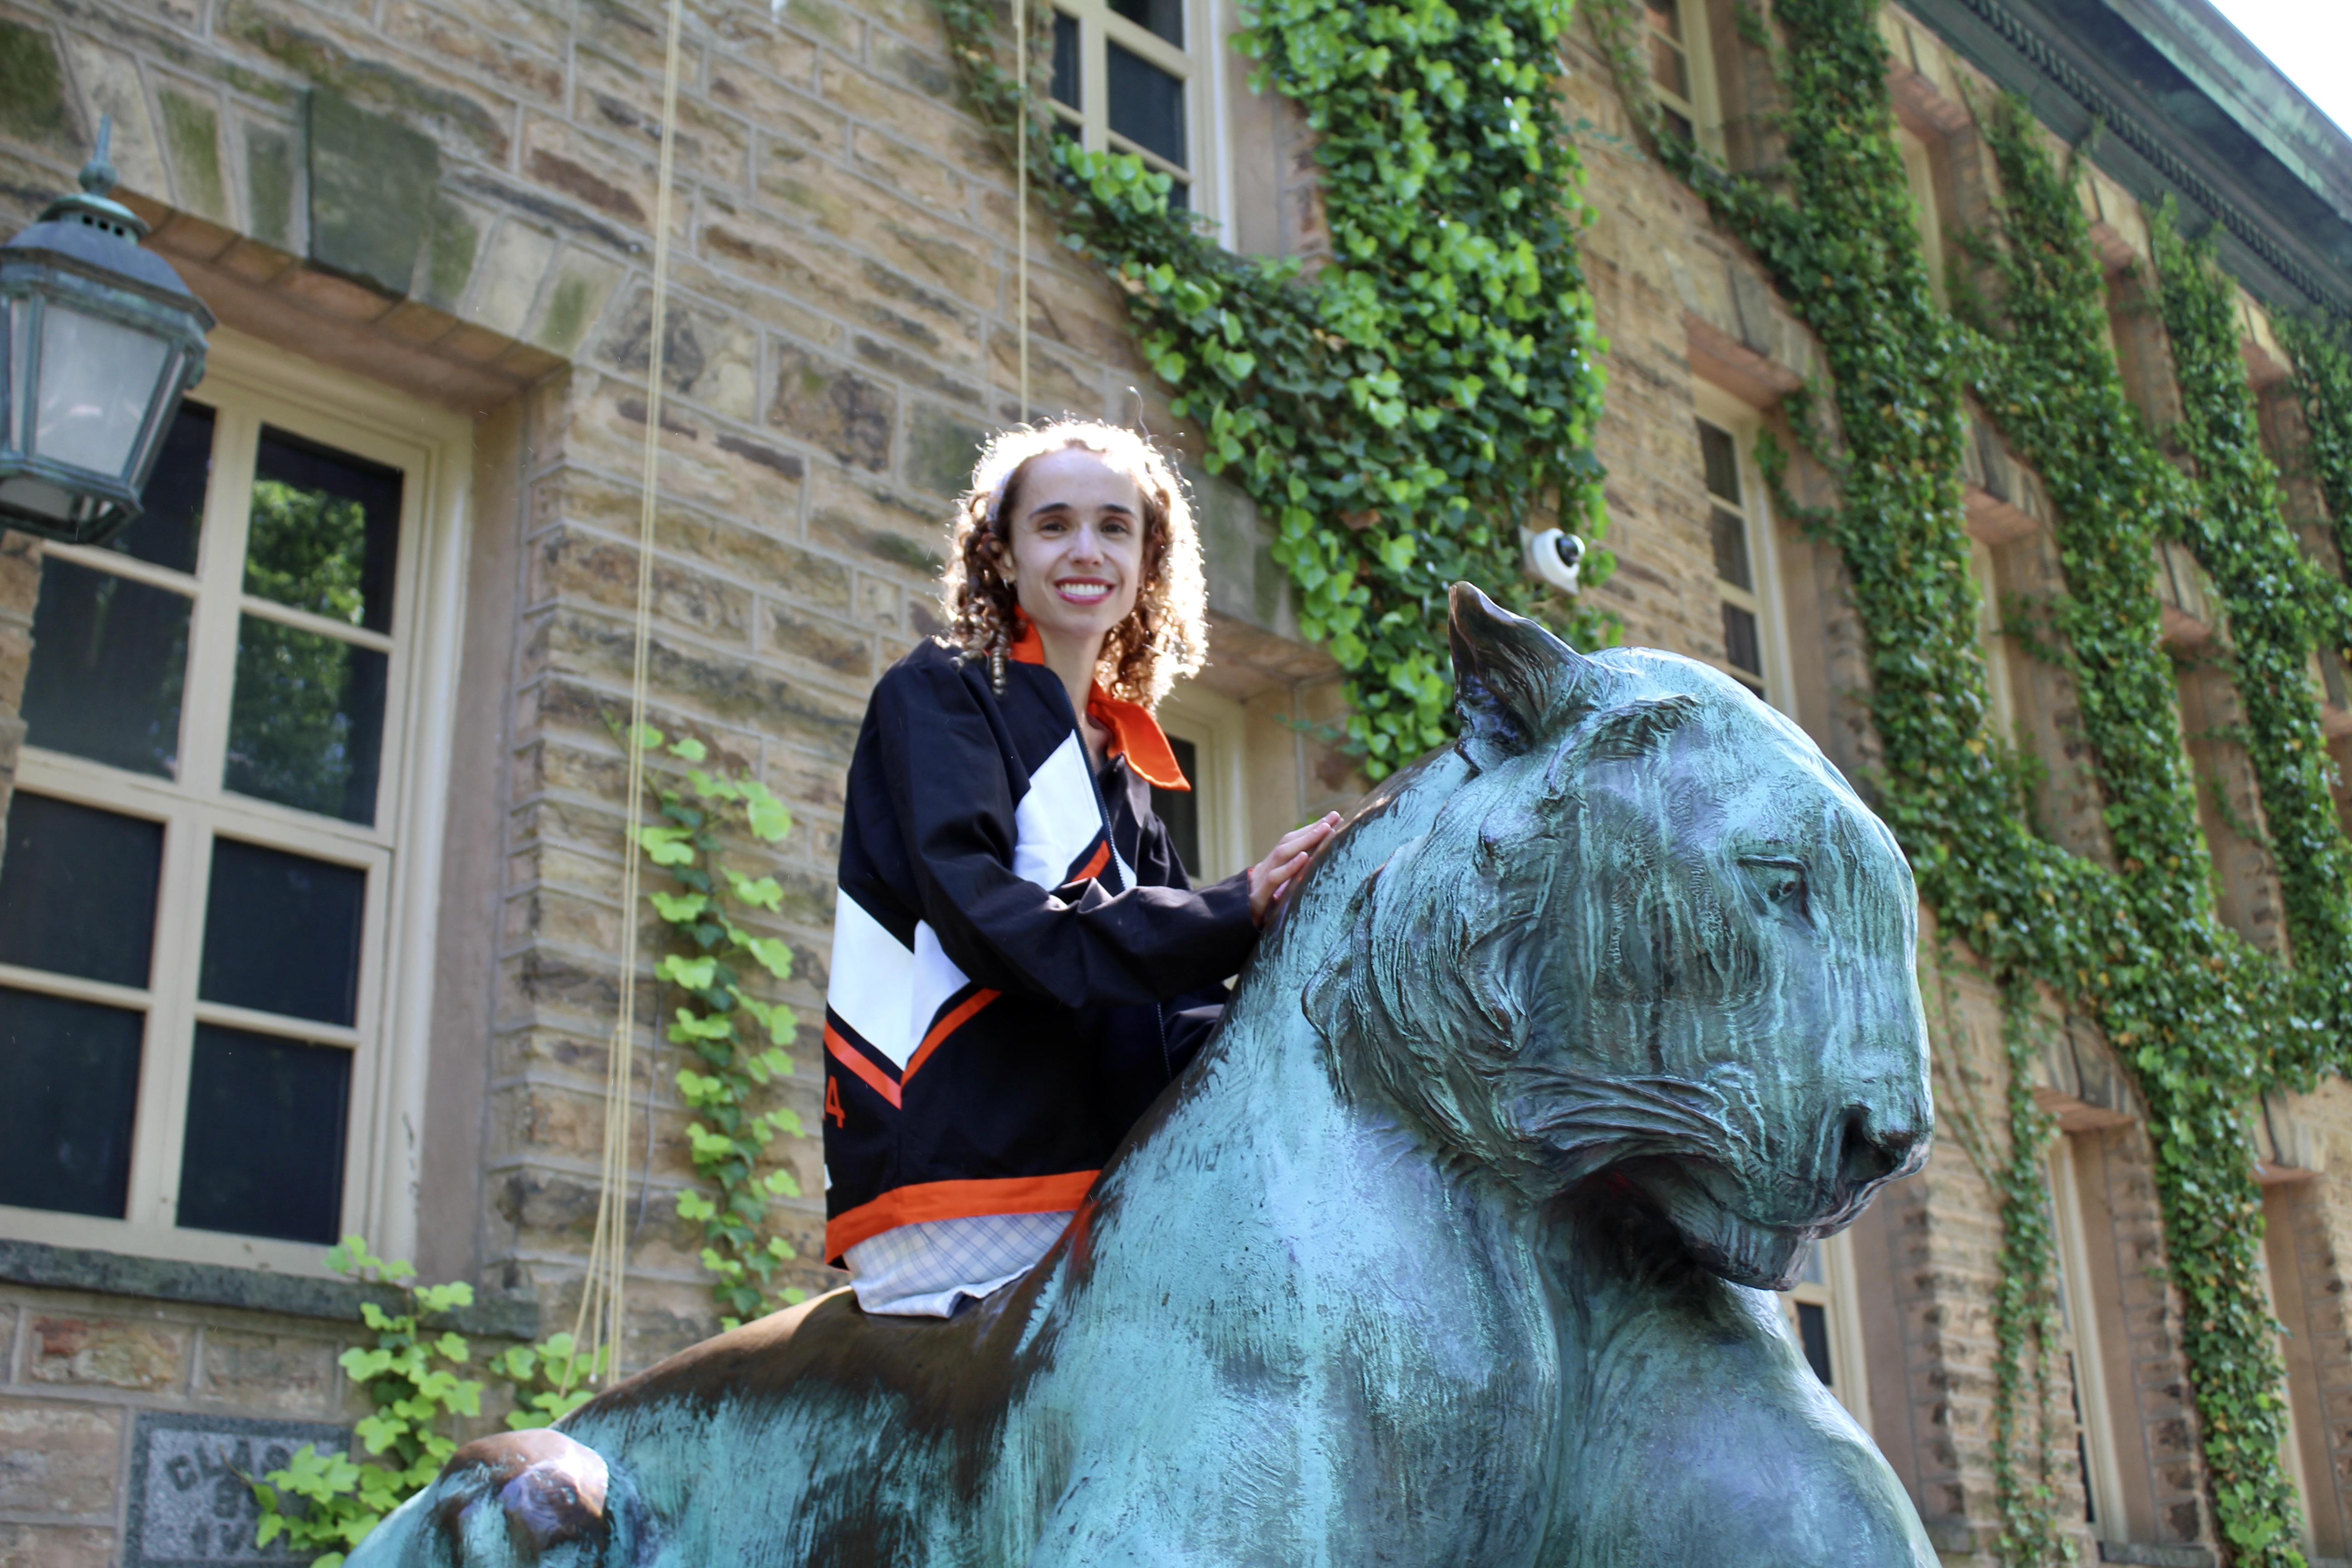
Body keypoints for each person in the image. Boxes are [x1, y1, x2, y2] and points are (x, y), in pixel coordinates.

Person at [820, 419, 1341, 1317]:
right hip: (970, 1172)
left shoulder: (1119, 751)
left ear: (1149, 560)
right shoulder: (942, 693)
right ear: (1002, 553)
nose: (1084, 549)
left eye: (1113, 526)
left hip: (1103, 1177)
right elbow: (991, 924)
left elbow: (1169, 1012)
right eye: (1053, 525)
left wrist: (1324, 1009)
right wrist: (1231, 907)